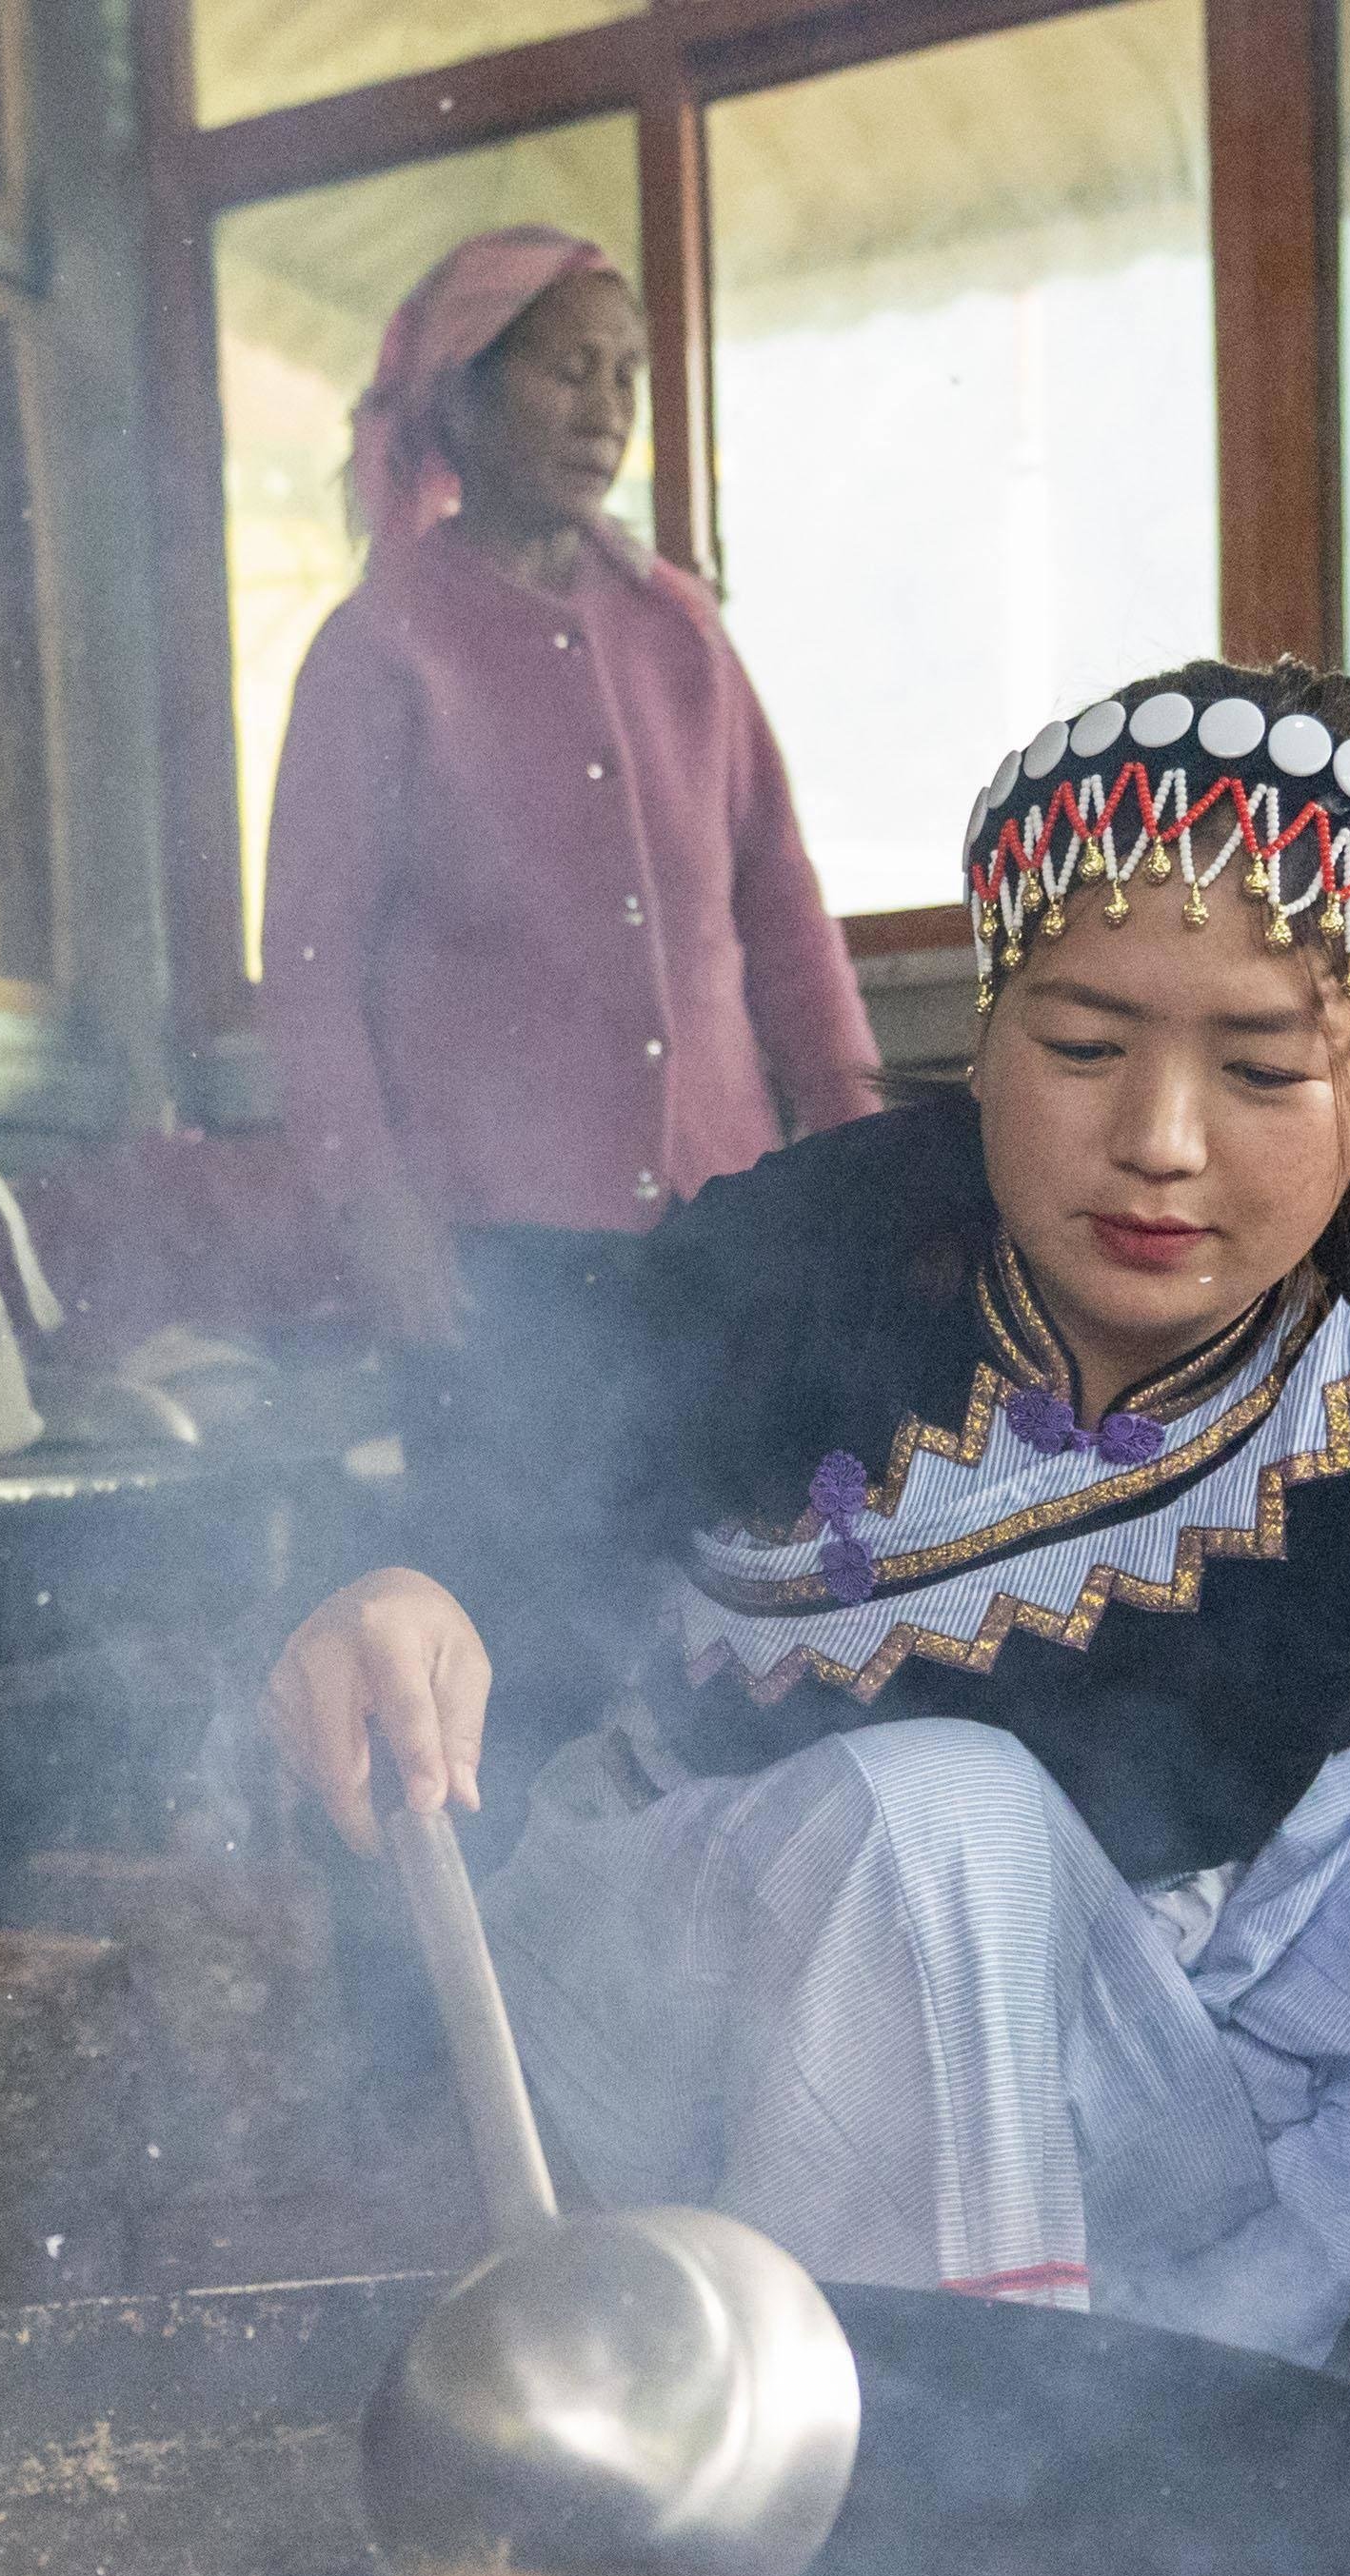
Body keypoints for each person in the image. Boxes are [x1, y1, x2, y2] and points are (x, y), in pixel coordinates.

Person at [262, 660, 1350, 2576]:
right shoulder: (818, 1249)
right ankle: (925, 2527)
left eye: (1262, 1074)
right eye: (1084, 1042)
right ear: (988, 1027)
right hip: (723, 2016)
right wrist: (401, 1582)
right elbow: (516, 1470)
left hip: (1125, 2037)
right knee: (941, 1816)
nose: (1157, 1144)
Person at [260, 225, 883, 1788]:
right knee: (519, 1634)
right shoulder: (378, 645)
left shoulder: (679, 630)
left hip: (716, 1228)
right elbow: (311, 977)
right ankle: (505, 2007)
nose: (605, 406)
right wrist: (380, 1222)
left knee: (743, 1622)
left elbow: (782, 906)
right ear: (457, 396)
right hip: (497, 1261)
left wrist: (857, 1152)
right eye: (564, 368)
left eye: (625, 377)